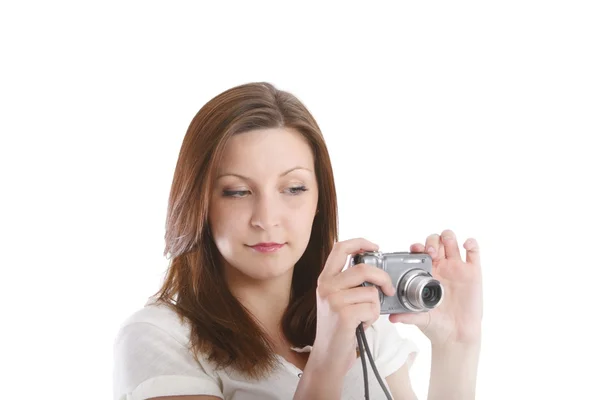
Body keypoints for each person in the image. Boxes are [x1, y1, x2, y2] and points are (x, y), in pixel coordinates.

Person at [112, 82, 483, 400]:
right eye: (238, 192)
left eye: (293, 188)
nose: (266, 218)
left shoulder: (364, 324)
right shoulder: (159, 338)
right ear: (200, 204)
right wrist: (326, 360)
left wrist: (458, 346)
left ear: (319, 201)